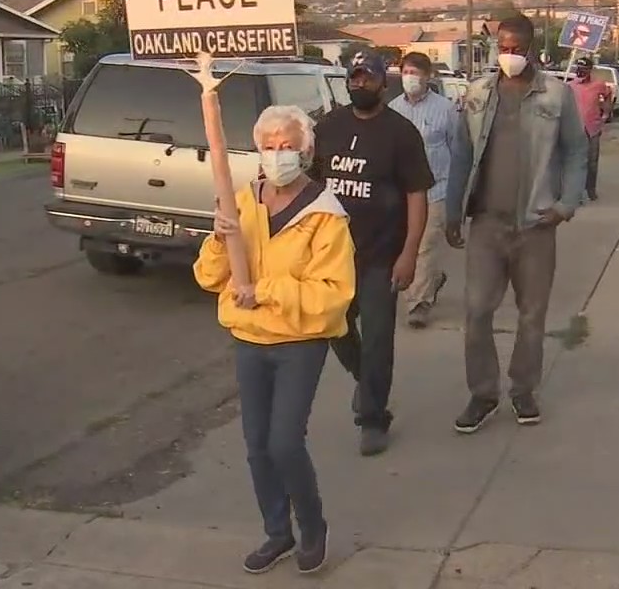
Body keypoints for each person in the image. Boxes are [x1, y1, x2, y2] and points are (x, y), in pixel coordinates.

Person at [194, 105, 356, 575]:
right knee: (256, 445)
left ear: (306, 151)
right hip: (249, 338)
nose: (278, 155)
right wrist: (221, 241)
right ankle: (277, 533)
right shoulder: (240, 200)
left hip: (300, 342)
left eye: (287, 146)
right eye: (269, 146)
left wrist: (263, 291)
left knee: (285, 441)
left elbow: (333, 296)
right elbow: (208, 277)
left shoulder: (325, 214)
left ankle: (312, 526)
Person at [444, 14, 589, 434]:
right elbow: (461, 156)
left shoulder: (556, 96)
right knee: (476, 311)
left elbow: (578, 152)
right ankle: (482, 394)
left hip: (536, 226)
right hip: (487, 224)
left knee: (532, 314)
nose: (509, 56)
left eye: (517, 49)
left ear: (532, 49)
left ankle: (523, 389)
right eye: (503, 48)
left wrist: (566, 204)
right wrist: (454, 211)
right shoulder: (477, 95)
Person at [311, 53, 434, 456]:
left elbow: (417, 194)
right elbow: (308, 186)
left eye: (368, 78)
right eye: (354, 77)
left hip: (382, 256)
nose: (359, 83)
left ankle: (373, 418)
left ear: (384, 83)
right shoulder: (327, 127)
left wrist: (410, 253)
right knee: (333, 326)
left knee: (379, 339)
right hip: (332, 257)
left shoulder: (400, 133)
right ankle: (368, 382)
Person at [389, 52, 458, 328]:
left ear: (428, 76)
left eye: (416, 73)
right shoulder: (393, 109)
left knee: (424, 247)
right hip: (402, 193)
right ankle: (433, 278)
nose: (410, 78)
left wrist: (458, 192)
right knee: (404, 245)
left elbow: (458, 149)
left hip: (436, 191)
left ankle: (418, 303)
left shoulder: (446, 109)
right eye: (406, 72)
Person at [568, 56, 612, 202]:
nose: (581, 72)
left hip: (593, 127)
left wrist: (605, 112)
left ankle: (591, 189)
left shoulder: (598, 85)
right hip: (575, 128)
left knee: (592, 162)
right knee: (576, 162)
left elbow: (607, 94)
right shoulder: (571, 86)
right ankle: (577, 192)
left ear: (590, 70)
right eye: (579, 69)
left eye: (584, 70)